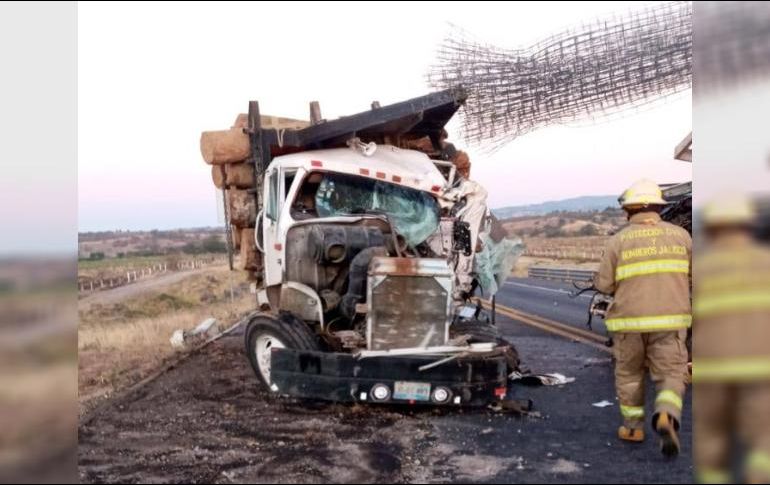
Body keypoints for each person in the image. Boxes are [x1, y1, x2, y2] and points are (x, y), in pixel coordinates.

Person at [594, 179, 692, 457]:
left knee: (629, 375)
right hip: (671, 323)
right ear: (659, 208)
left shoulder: (617, 241)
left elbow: (604, 285)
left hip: (628, 323)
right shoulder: (682, 237)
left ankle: (633, 428)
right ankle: (666, 413)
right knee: (672, 374)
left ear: (630, 211)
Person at [693, 195, 770, 483]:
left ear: (712, 229)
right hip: (762, 366)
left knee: (713, 436)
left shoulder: (703, 267)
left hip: (714, 366)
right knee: (764, 436)